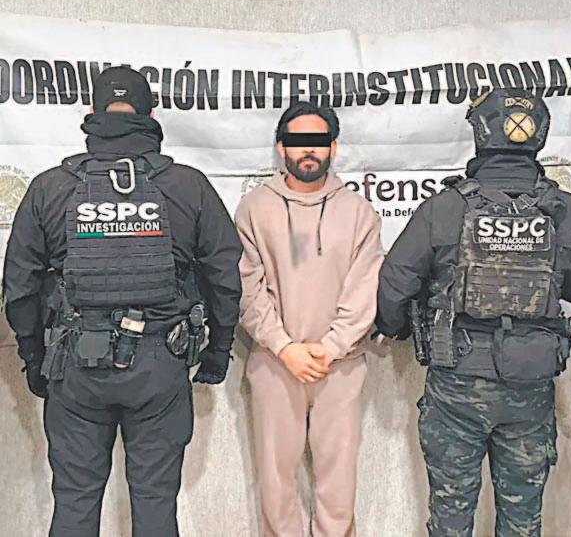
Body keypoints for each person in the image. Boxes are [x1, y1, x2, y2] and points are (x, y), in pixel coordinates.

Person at [3, 66, 242, 537]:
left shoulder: (51, 187)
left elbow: (19, 285)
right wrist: (218, 351)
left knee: (75, 502)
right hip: (160, 365)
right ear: (151, 116)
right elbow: (224, 277)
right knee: (155, 503)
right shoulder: (188, 185)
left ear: (92, 113)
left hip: (74, 366)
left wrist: (33, 358)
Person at [376, 88, 571, 537]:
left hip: (456, 382)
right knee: (523, 518)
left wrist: (395, 328)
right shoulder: (569, 212)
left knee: (451, 516)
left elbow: (395, 283)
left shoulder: (445, 208)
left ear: (480, 132)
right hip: (530, 387)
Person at [235, 101, 383, 536]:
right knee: (275, 482)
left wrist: (330, 347)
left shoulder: (358, 212)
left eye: (317, 141)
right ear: (281, 147)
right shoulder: (253, 209)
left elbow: (365, 287)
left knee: (338, 483)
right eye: (298, 141)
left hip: (341, 365)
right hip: (274, 362)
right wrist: (284, 347)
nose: (308, 151)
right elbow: (246, 286)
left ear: (333, 147)